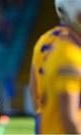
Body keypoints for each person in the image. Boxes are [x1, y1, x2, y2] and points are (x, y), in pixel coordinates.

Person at [30, 0, 81, 134]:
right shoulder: (69, 53)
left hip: (45, 118)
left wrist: (42, 114)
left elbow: (33, 87)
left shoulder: (44, 40)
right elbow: (69, 117)